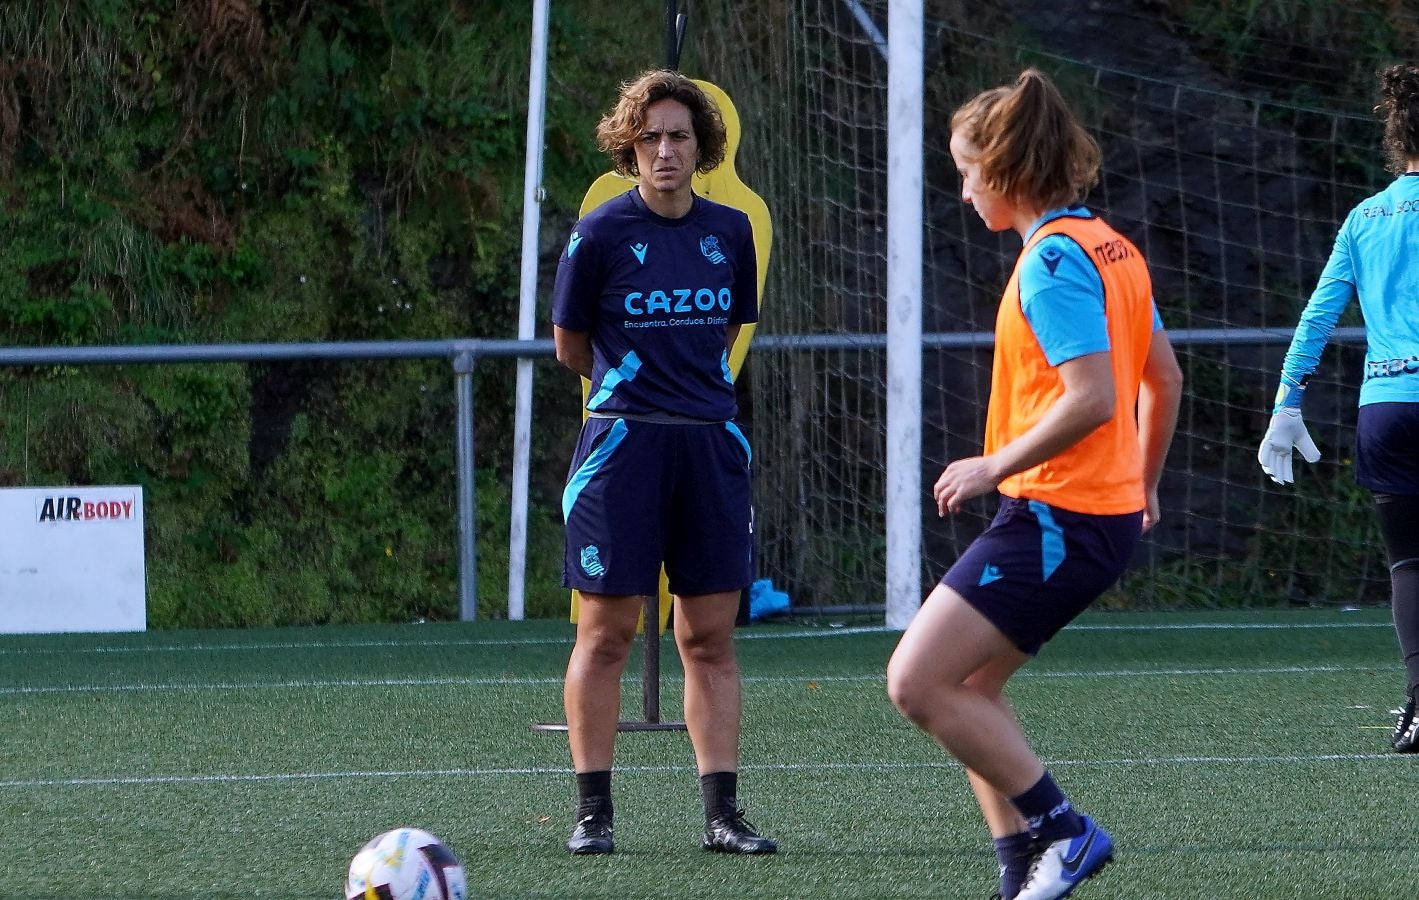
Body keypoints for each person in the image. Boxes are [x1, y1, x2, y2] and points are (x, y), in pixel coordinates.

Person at [885, 68, 1183, 900]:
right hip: (1091, 512)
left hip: (1060, 513)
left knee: (916, 681)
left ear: (1005, 170)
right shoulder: (1109, 245)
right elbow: (1163, 378)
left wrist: (993, 464)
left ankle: (1063, 831)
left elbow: (1093, 398)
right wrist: (1145, 482)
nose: (963, 189)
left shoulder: (1052, 261)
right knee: (968, 686)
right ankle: (1022, 867)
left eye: (966, 171)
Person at [549, 69, 776, 857]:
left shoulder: (730, 233)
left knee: (709, 636)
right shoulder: (601, 234)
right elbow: (570, 346)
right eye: (651, 138)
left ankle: (722, 814)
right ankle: (593, 815)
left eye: (679, 136)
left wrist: (688, 396)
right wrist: (635, 394)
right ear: (629, 148)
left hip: (708, 444)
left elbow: (723, 336)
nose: (666, 150)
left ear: (702, 146)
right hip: (622, 447)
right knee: (606, 632)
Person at [1258, 63, 1419, 756]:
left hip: (1384, 407)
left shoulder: (1363, 217)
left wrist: (1284, 404)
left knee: (1408, 564)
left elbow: (1316, 317)